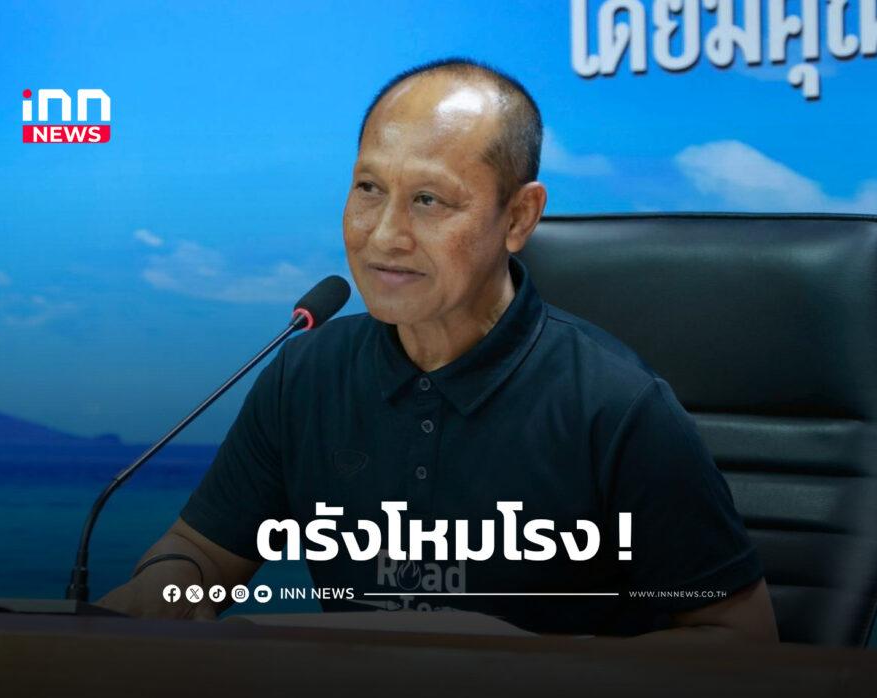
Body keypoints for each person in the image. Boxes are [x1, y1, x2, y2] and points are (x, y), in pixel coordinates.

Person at [99, 58, 778, 642]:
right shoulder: (305, 373)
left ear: (519, 217)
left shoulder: (617, 405)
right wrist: (170, 584)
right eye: (369, 189)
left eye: (428, 200)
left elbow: (741, 642)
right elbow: (200, 552)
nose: (383, 236)